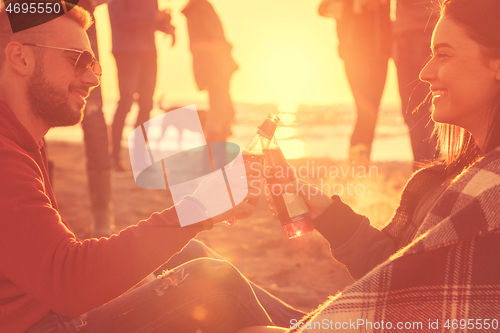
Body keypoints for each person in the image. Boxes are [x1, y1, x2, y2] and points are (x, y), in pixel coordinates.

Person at [0, 6, 305, 332]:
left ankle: (318, 324)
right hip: (38, 323)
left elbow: (49, 264)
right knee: (213, 282)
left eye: (94, 65)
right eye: (77, 60)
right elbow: (69, 282)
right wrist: (199, 209)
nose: (91, 79)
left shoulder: (24, 139)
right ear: (20, 58)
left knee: (191, 254)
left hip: (47, 308)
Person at [241, 0, 500, 331]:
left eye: (443, 54)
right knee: (211, 274)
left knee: (205, 290)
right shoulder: (457, 176)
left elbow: (414, 304)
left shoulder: (487, 194)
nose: (424, 72)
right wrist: (327, 214)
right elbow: (400, 276)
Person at [318, 0, 392, 165]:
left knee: (372, 114)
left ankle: (360, 164)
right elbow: (324, 9)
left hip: (381, 54)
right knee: (365, 113)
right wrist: (354, 4)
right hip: (355, 54)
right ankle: (356, 165)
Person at [108, 0, 159, 172]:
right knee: (125, 103)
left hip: (149, 51)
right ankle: (114, 156)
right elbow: (120, 18)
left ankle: (140, 159)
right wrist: (153, 17)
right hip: (126, 51)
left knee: (146, 106)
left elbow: (151, 22)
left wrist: (165, 25)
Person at [182, 0, 238, 148]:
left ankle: (216, 157)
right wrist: (225, 48)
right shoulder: (197, 9)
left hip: (217, 67)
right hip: (214, 68)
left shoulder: (201, 7)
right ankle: (213, 159)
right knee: (219, 115)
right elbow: (200, 43)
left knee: (226, 113)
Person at [394, 0, 440, 167]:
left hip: (413, 33)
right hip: (439, 25)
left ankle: (426, 174)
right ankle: (436, 170)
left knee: (415, 110)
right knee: (437, 106)